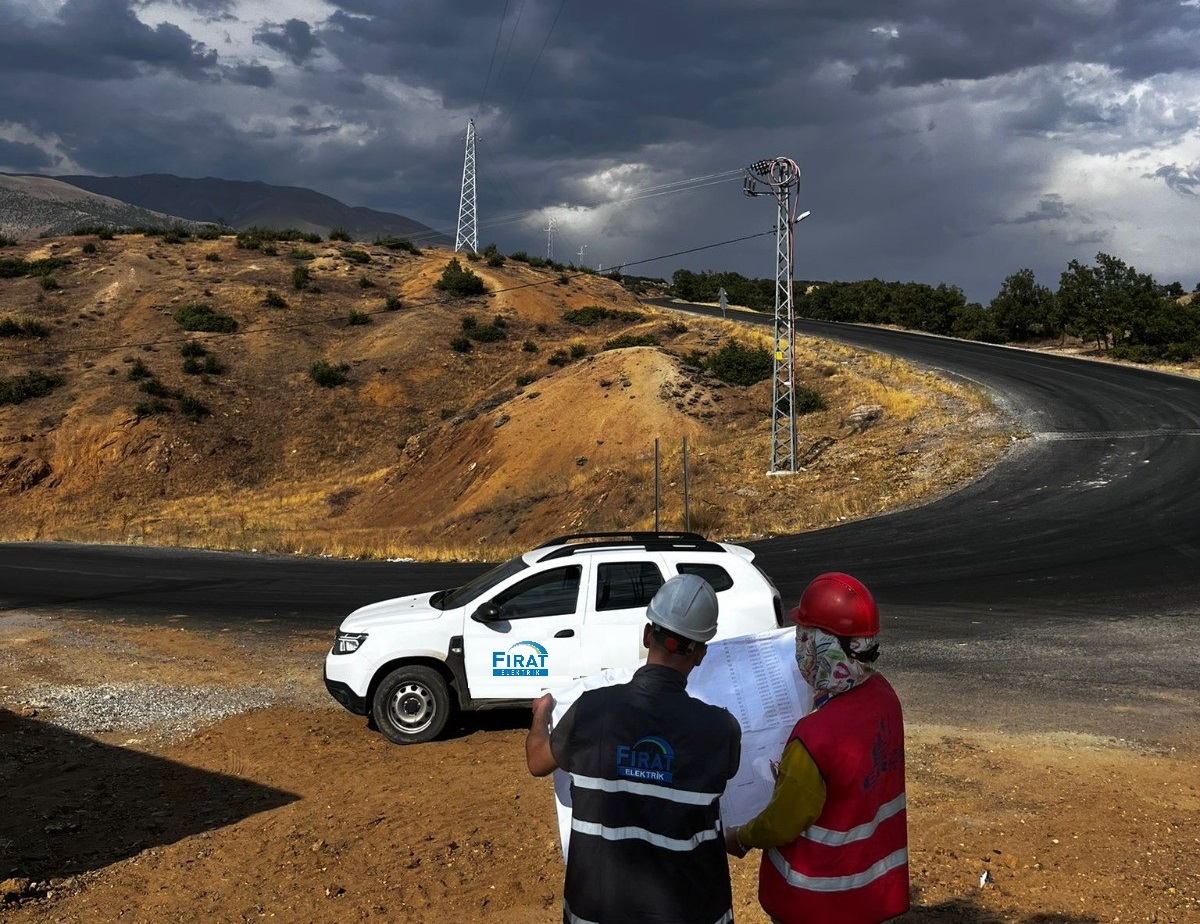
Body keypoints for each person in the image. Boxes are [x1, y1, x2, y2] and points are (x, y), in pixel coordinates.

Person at [526, 573, 743, 924]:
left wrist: (541, 716)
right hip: (688, 910)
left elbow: (537, 762)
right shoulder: (720, 729)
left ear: (647, 634)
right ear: (701, 654)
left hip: (597, 910)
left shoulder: (590, 710)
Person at [723, 572, 909, 924]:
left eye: (803, 636)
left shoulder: (815, 736)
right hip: (873, 890)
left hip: (818, 900)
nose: (798, 646)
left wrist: (741, 837)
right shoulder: (884, 697)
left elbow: (781, 823)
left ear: (820, 647)